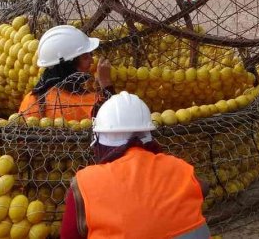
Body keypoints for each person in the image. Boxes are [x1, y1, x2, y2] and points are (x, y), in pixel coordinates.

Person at [61, 92, 210, 238]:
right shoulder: (179, 167)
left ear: (98, 139)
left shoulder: (85, 185)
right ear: (149, 135)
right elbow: (204, 187)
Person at [19, 25, 114, 121]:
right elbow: (114, 120)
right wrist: (106, 83)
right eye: (85, 57)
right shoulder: (85, 102)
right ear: (69, 65)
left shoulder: (31, 101)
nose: (92, 61)